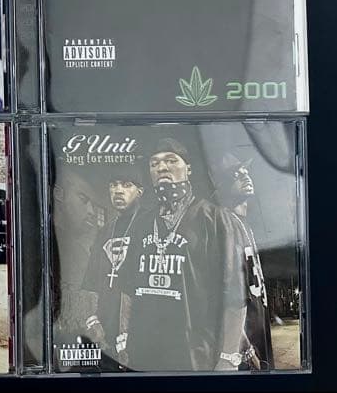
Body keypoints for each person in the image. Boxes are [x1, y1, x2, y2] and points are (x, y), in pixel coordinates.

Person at [116, 139, 247, 372]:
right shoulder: (142, 222)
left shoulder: (215, 219)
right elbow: (128, 287)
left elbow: (235, 296)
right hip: (143, 354)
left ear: (188, 168)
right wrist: (124, 336)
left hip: (195, 356)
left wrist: (228, 357)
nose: (162, 168)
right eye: (154, 163)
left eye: (170, 161)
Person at [213, 153, 273, 370]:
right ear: (223, 186)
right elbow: (227, 297)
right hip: (242, 350)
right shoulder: (225, 223)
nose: (245, 176)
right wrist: (246, 350)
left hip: (258, 332)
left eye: (245, 172)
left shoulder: (245, 225)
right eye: (236, 175)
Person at [80, 167, 143, 365]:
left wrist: (131, 329)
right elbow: (90, 280)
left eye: (126, 185)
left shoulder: (149, 225)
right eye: (113, 185)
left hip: (139, 324)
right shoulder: (106, 230)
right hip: (104, 324)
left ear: (139, 191)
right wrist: (92, 320)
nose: (118, 190)